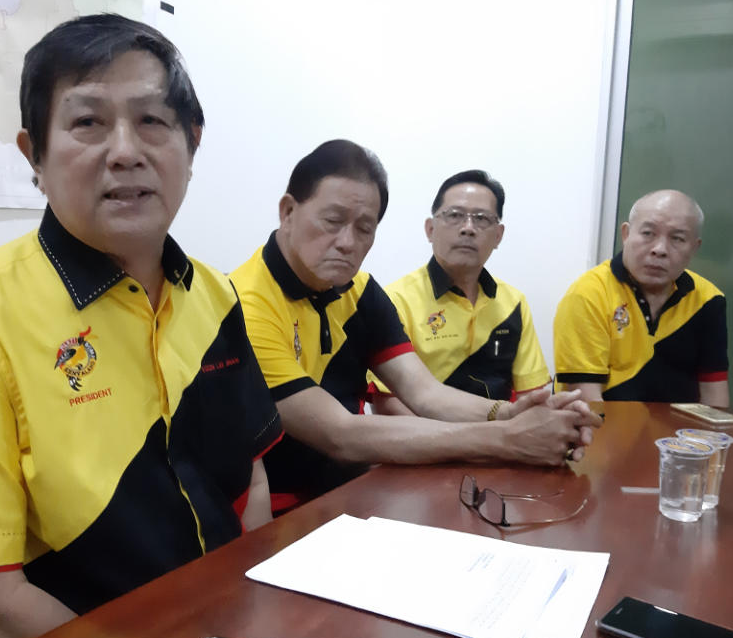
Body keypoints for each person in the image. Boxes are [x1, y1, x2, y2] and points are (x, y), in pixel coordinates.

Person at [0, 14, 282, 638]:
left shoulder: (215, 296)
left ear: (191, 144)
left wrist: (251, 634)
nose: (126, 151)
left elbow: (250, 486)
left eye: (154, 121)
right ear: (34, 155)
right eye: (88, 123)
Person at [229, 140, 601, 509]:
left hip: (358, 489)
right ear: (288, 211)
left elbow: (425, 393)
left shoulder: (358, 291)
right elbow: (340, 433)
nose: (347, 242)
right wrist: (506, 438)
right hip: (281, 507)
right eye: (332, 221)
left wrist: (510, 413)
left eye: (364, 228)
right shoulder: (244, 303)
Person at [370, 170, 549, 417]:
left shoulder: (513, 303)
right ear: (430, 229)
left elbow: (533, 397)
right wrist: (458, 445)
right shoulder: (394, 300)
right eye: (454, 216)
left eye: (482, 219)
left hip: (500, 446)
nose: (468, 228)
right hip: (423, 449)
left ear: (498, 236)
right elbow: (387, 404)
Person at [553, 189, 729, 405]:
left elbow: (714, 396)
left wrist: (711, 439)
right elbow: (587, 404)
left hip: (680, 436)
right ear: (625, 234)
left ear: (694, 247)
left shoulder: (709, 300)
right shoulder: (588, 295)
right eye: (648, 233)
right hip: (602, 432)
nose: (660, 249)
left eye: (677, 238)